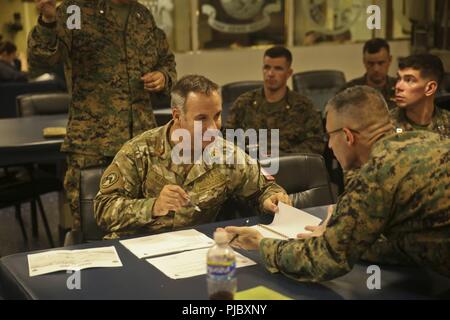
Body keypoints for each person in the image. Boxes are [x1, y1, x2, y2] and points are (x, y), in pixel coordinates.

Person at [223, 86, 450, 281]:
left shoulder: (376, 174)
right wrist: (347, 238)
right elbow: (415, 244)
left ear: (348, 136)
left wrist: (261, 244)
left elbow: (326, 259)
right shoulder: (435, 141)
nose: (329, 146)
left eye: (330, 136)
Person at [29, 0, 177, 232]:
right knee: (93, 227)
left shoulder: (142, 16)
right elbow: (42, 60)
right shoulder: (75, 10)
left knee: (145, 224)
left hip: (141, 144)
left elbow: (166, 61)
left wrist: (163, 76)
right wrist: (48, 21)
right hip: (94, 144)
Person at [94, 75, 290, 239]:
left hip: (195, 249)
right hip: (138, 248)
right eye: (201, 119)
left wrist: (270, 198)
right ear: (177, 116)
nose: (213, 128)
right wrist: (154, 206)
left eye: (217, 116)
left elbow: (263, 187)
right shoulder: (139, 151)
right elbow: (103, 211)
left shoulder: (226, 154)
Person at [225, 46, 325, 156]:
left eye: (278, 68)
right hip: (250, 166)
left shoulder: (303, 106)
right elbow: (227, 139)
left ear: (288, 73)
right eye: (267, 67)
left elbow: (316, 143)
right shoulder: (244, 103)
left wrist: (283, 156)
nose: (270, 74)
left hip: (290, 166)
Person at [392, 54, 450, 139]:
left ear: (430, 88)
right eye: (399, 78)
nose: (398, 87)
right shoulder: (385, 126)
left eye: (409, 80)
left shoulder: (447, 123)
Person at [341, 38, 397, 110]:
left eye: (381, 63)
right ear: (364, 61)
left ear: (390, 60)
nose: (376, 69)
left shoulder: (399, 89)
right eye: (371, 63)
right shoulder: (349, 91)